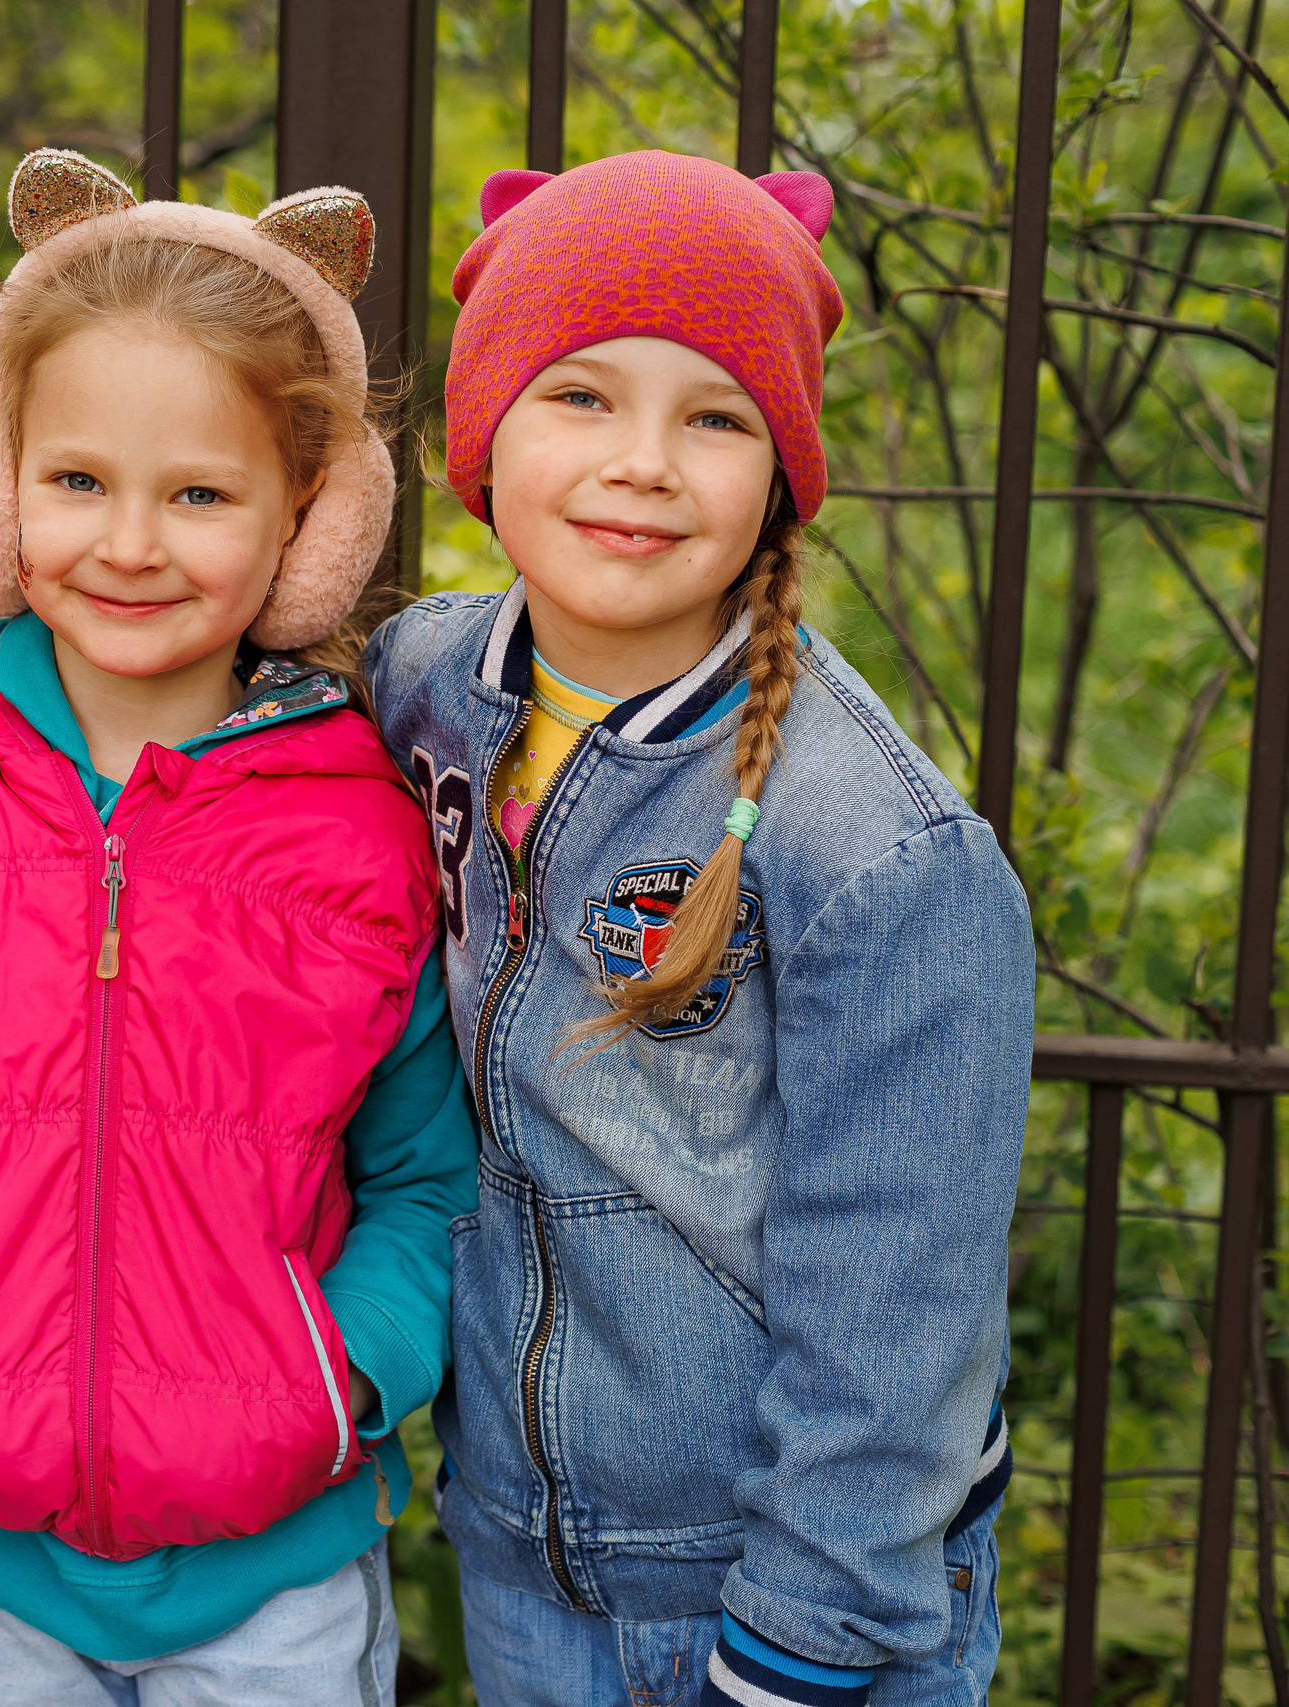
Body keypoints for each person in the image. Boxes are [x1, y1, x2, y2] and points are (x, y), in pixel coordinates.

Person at [0, 149, 480, 1707]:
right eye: (78, 482)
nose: (131, 544)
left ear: (312, 516)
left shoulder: (361, 819)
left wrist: (339, 1383)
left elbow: (422, 1173)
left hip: (273, 1556)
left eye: (200, 494)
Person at [380, 153, 1026, 1705]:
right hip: (528, 1557)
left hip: (794, 1595)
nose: (645, 463)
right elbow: (159, 638)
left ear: (781, 471)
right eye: (581, 396)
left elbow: (902, 1302)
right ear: (483, 435)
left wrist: (799, 1642)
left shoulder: (876, 848)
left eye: (716, 416)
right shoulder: (418, 688)